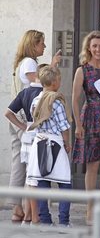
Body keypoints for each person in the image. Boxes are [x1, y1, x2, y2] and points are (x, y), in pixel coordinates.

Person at [9, 30, 61, 223]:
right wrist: (53, 65)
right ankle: (22, 209)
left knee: (20, 163)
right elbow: (39, 83)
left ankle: (20, 208)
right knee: (27, 166)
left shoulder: (22, 62)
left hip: (20, 116)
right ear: (33, 44)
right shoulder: (30, 63)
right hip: (27, 119)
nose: (44, 47)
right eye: (42, 43)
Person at [72, 31, 100, 225]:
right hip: (90, 116)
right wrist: (78, 125)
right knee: (92, 165)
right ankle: (90, 210)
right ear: (88, 48)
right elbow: (74, 98)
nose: (98, 49)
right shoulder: (82, 70)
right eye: (94, 46)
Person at [27, 65, 72, 227]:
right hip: (55, 143)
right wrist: (67, 143)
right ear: (53, 82)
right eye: (59, 79)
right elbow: (64, 127)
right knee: (65, 183)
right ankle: (64, 221)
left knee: (42, 182)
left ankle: (45, 219)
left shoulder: (35, 100)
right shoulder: (56, 102)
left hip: (39, 143)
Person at [5, 64, 46, 225]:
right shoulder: (45, 94)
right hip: (40, 135)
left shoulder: (24, 92)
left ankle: (28, 214)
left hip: (27, 137)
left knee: (30, 177)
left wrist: (23, 126)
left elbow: (8, 112)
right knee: (36, 177)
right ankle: (31, 214)